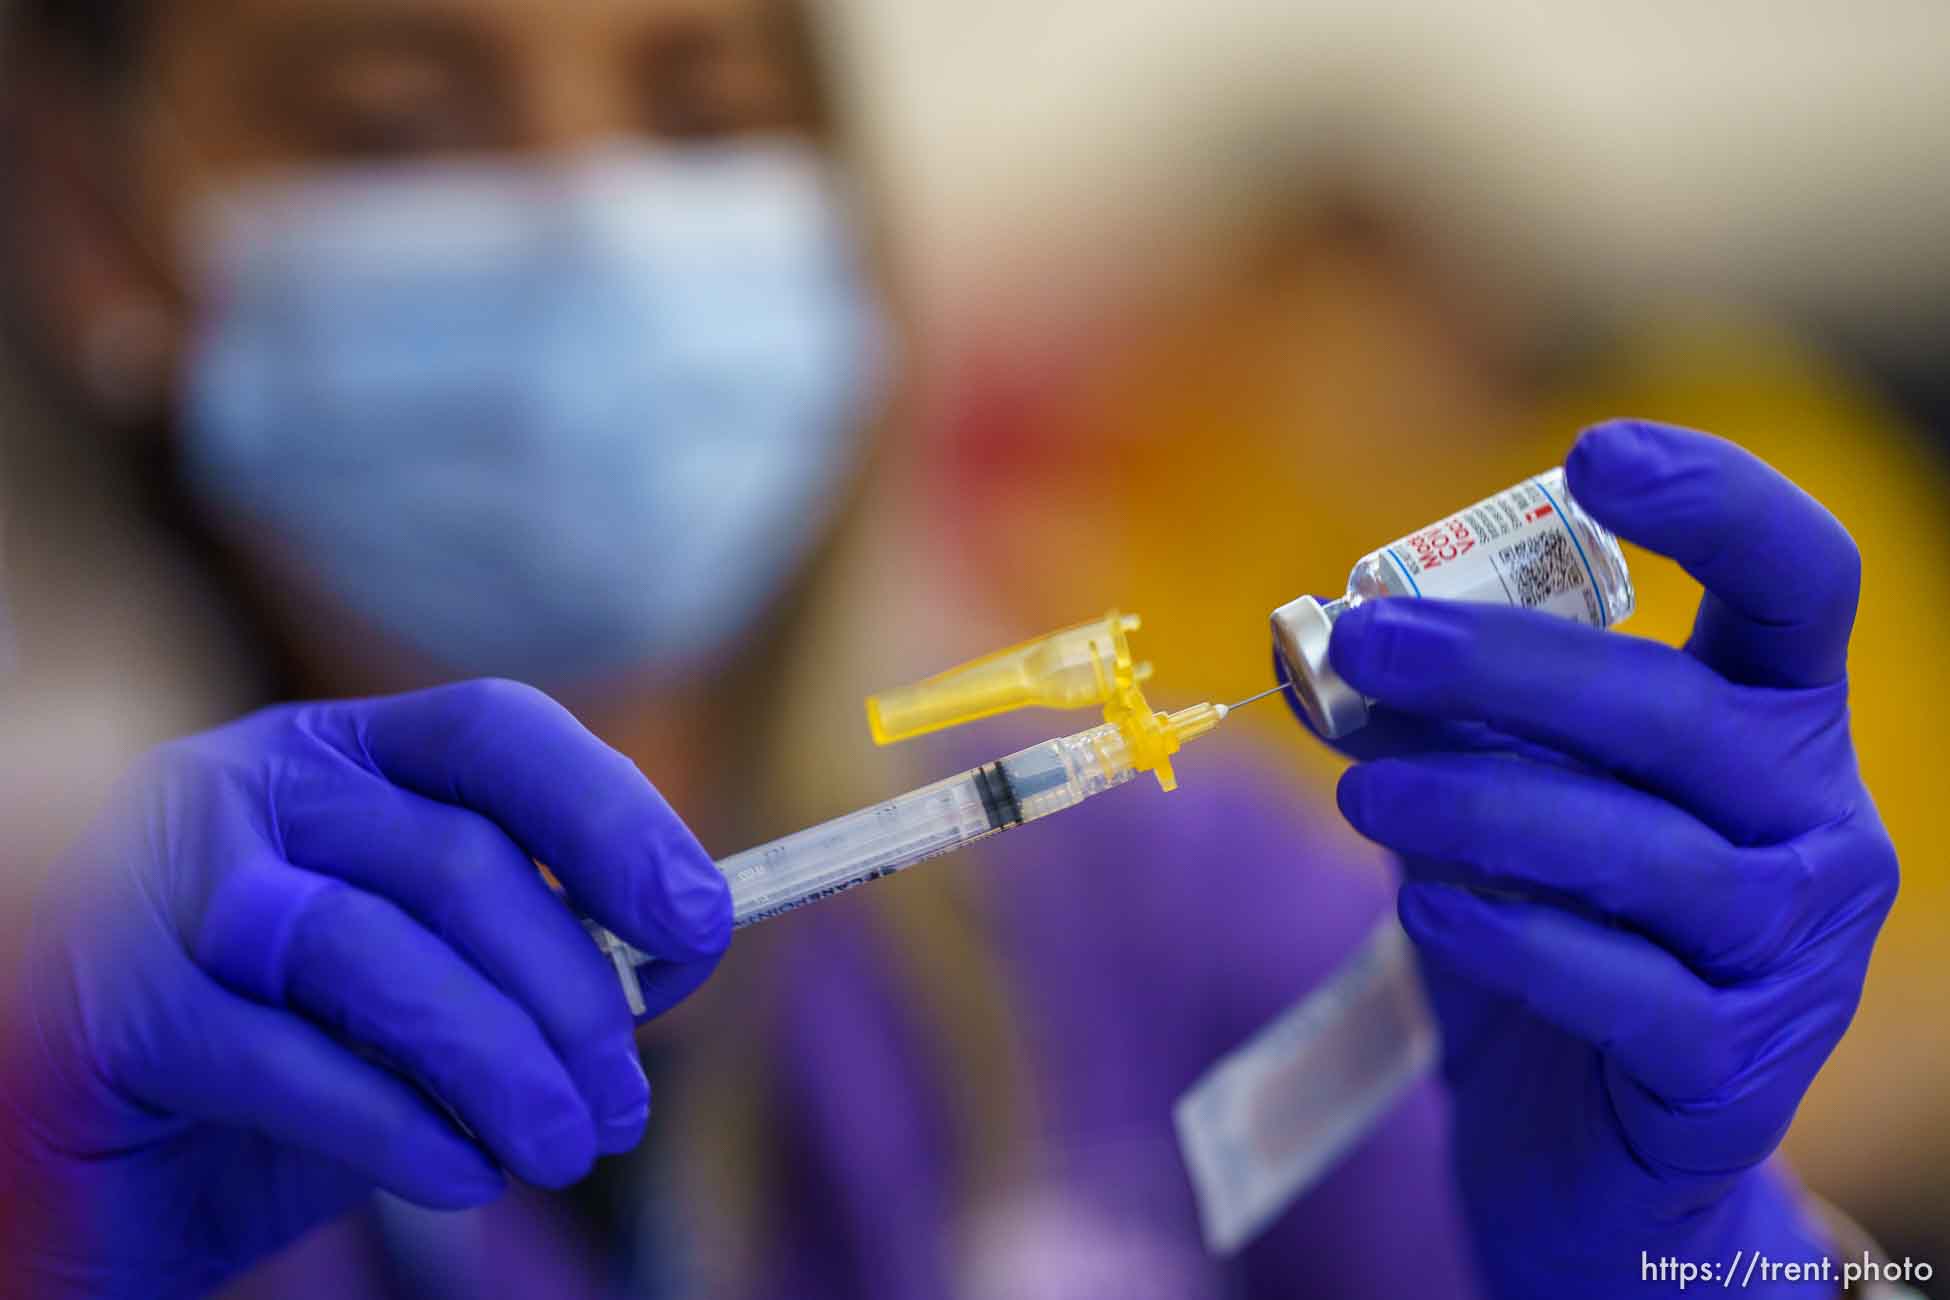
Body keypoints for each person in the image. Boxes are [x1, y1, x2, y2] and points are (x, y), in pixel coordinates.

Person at [0, 1, 1901, 1298]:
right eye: (398, 125)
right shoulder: (79, 1006)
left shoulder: (1159, 915)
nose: (588, 220)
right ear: (96, 214)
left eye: (701, 106)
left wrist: (1707, 1258)